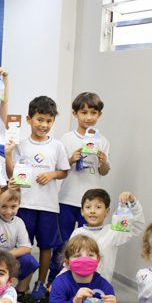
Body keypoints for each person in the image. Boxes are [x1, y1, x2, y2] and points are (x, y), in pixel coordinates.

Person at [5, 95, 69, 303]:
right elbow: (12, 173)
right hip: (24, 203)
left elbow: (64, 171)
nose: (44, 125)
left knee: (46, 246)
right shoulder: (21, 145)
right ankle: (18, 286)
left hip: (48, 205)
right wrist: (8, 156)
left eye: (49, 121)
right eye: (40, 119)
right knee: (23, 244)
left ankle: (40, 283)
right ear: (29, 119)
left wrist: (52, 174)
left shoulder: (57, 146)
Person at [56, 93, 110, 266]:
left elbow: (104, 172)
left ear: (99, 115)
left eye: (93, 113)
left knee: (88, 242)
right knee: (63, 242)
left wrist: (103, 162)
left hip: (90, 203)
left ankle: (85, 273)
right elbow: (59, 169)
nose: (88, 117)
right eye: (84, 112)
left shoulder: (102, 141)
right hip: (67, 198)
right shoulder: (66, 139)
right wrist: (71, 159)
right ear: (75, 114)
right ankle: (56, 276)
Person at [70, 189, 145, 282]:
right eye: (88, 207)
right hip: (77, 284)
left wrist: (133, 203)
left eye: (98, 207)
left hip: (101, 286)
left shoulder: (113, 232)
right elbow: (69, 260)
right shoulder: (77, 233)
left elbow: (136, 226)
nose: (92, 211)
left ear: (107, 211)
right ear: (82, 211)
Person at [0, 188, 40, 303]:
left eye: (13, 207)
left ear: (19, 205)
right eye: (4, 206)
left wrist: (7, 255)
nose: (8, 211)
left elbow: (26, 247)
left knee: (29, 260)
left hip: (7, 257)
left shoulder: (19, 222)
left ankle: (20, 292)